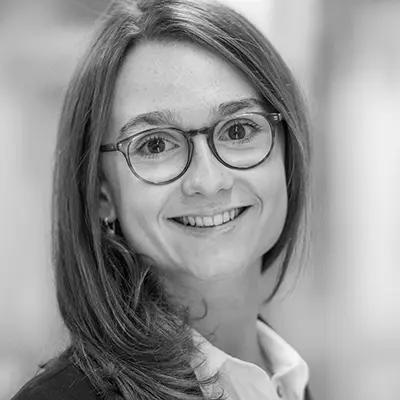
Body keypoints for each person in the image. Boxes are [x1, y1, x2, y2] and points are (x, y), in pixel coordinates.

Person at [12, 0, 312, 399]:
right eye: (155, 144)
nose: (208, 181)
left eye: (238, 131)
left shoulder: (285, 380)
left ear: (287, 154)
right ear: (102, 193)